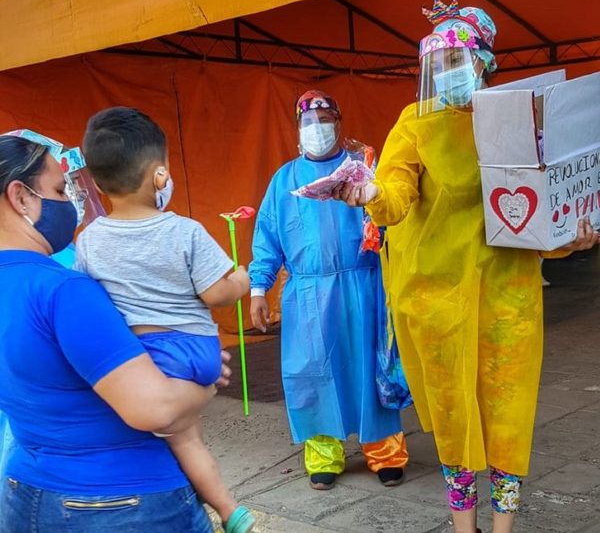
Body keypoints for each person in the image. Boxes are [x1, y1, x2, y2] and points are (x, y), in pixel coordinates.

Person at [334, 0, 599, 533]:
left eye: (459, 60)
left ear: (484, 62)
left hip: (509, 295)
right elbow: (394, 199)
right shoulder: (414, 123)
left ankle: (501, 527)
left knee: (507, 412)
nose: (449, 72)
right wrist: (365, 194)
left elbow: (538, 217)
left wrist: (574, 236)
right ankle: (463, 527)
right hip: (439, 298)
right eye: (440, 62)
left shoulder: (521, 120)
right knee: (456, 418)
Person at [0, 134, 224, 533]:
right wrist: (208, 382)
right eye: (57, 190)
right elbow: (154, 409)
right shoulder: (63, 291)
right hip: (121, 501)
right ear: (21, 198)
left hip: (25, 494)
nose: (70, 203)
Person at [75, 107, 254, 533]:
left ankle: (229, 511)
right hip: (201, 349)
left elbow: (91, 302)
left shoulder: (90, 240)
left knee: (179, 439)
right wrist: (243, 279)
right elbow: (217, 293)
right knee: (185, 434)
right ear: (160, 176)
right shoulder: (185, 231)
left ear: (97, 185)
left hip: (147, 357)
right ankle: (227, 508)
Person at [249, 90, 409, 491]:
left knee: (371, 370)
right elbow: (267, 238)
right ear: (298, 129)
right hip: (307, 294)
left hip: (364, 283)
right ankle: (324, 455)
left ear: (339, 123)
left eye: (325, 119)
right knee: (312, 373)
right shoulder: (283, 181)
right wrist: (257, 288)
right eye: (309, 121)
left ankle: (384, 451)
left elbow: (392, 221)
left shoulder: (362, 170)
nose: (317, 128)